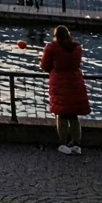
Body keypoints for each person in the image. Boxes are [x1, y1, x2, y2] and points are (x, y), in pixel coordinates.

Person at [41, 26, 90, 155]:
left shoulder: (52, 48)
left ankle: (63, 143)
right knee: (74, 116)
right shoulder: (76, 47)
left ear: (56, 36)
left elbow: (45, 66)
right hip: (75, 82)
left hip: (59, 83)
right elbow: (77, 64)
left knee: (61, 115)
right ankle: (76, 144)